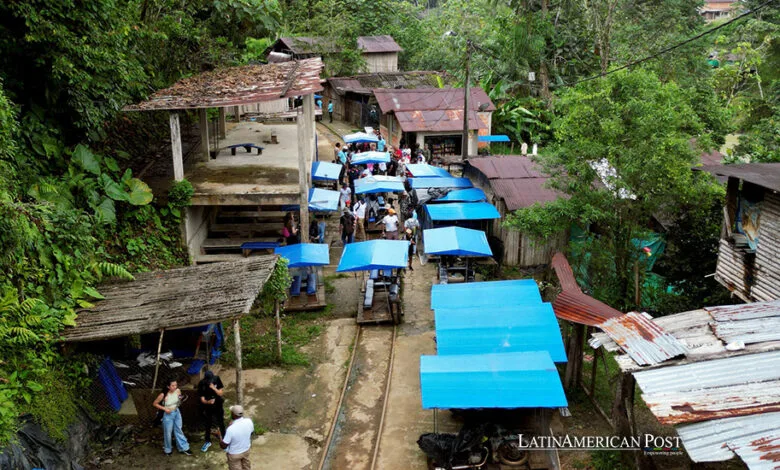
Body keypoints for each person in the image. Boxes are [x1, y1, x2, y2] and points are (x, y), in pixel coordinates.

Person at [153, 379, 192, 456]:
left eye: (176, 385)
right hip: (167, 415)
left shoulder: (177, 390)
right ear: (168, 386)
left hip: (176, 412)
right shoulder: (163, 395)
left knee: (178, 429)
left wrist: (181, 397)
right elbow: (155, 403)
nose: (175, 387)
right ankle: (168, 449)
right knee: (168, 432)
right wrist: (165, 409)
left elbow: (179, 397)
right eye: (173, 385)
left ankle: (184, 447)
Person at [218, 405, 254, 470]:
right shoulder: (249, 421)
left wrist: (219, 436)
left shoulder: (231, 429)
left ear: (233, 415)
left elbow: (224, 446)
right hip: (246, 450)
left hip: (234, 454)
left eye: (231, 412)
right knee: (246, 467)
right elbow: (251, 433)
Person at [197, 371, 225, 452]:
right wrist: (207, 402)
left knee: (221, 422)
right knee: (208, 423)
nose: (210, 381)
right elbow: (202, 399)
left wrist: (214, 388)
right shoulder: (202, 383)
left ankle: (224, 440)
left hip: (218, 404)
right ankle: (207, 441)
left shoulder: (217, 379)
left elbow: (220, 393)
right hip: (208, 406)